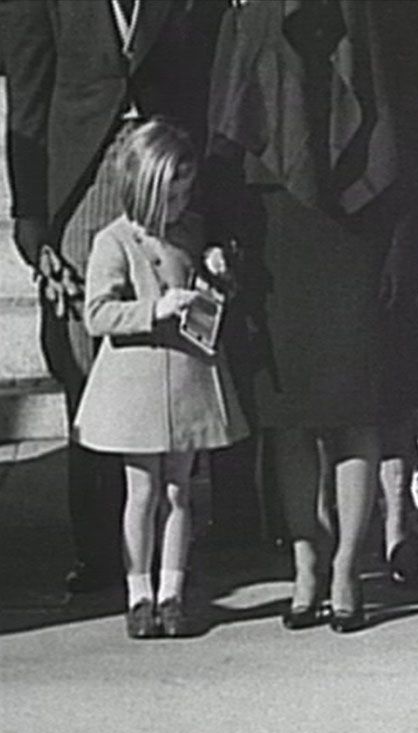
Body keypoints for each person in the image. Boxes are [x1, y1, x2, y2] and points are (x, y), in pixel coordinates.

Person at [2, 0, 227, 594]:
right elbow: (27, 93)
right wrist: (30, 211)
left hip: (170, 176)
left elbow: (206, 74)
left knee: (179, 359)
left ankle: (180, 549)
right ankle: (105, 550)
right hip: (82, 180)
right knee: (88, 364)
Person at [206, 0, 417, 633]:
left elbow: (401, 119)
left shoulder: (371, 14)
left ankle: (350, 566)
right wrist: (219, 234)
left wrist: (403, 240)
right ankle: (306, 561)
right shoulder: (248, 13)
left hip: (358, 225)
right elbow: (224, 121)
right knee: (289, 415)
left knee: (355, 407)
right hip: (275, 226)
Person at [73, 119, 247, 639]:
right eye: (170, 195)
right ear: (142, 189)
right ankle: (138, 592)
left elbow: (212, 295)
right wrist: (154, 308)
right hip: (137, 386)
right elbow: (97, 314)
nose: (178, 205)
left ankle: (172, 591)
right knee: (142, 491)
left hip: (187, 379)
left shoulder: (191, 232)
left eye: (185, 194)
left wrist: (218, 272)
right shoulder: (114, 241)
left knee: (180, 490)